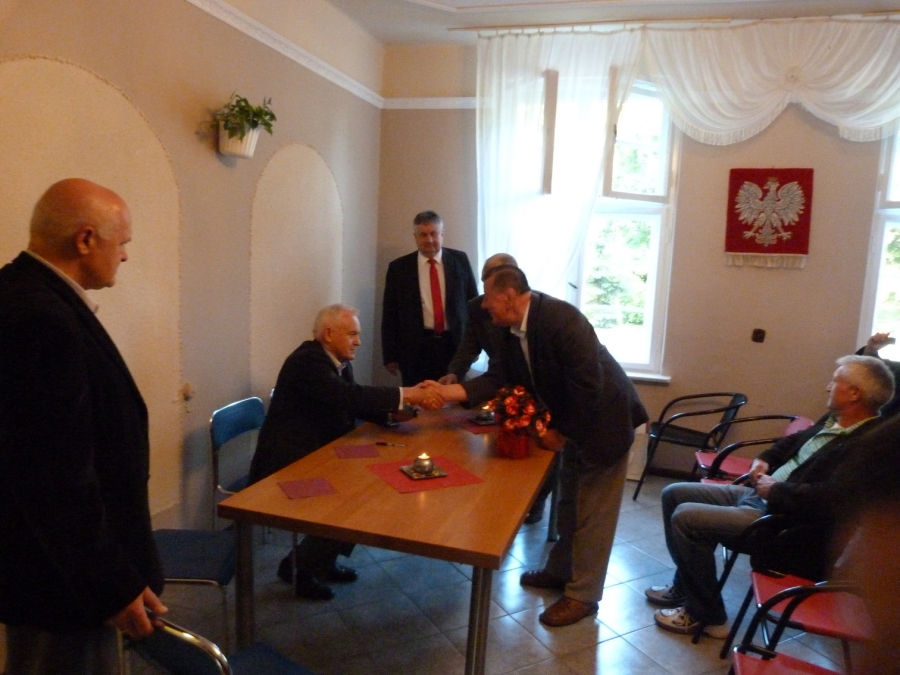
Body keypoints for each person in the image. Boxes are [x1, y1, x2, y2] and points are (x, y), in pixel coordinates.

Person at [0, 178, 167, 674]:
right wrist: (110, 584)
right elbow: (52, 476)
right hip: (60, 581)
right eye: (123, 243)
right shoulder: (38, 316)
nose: (126, 256)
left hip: (55, 566)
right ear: (86, 239)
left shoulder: (27, 293)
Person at [425, 265, 648, 627]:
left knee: (594, 513)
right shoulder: (510, 331)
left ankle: (583, 596)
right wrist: (443, 392)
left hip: (605, 423)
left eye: (489, 298)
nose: (485, 306)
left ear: (509, 296)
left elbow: (588, 388)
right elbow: (498, 379)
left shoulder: (563, 319)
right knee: (569, 503)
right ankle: (560, 571)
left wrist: (559, 432)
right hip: (575, 421)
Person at [646, 355, 895, 639]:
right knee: (674, 494)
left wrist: (776, 490)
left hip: (782, 523)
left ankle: (706, 616)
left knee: (686, 519)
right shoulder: (834, 420)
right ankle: (686, 587)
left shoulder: (867, 446)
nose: (828, 386)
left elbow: (831, 500)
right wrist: (763, 460)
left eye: (835, 381)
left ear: (854, 393)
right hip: (760, 496)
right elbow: (788, 444)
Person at [249, 304, 443, 600]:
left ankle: (317, 562)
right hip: (287, 462)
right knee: (350, 499)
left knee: (362, 488)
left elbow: (352, 403)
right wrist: (408, 393)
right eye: (352, 334)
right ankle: (301, 570)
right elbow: (348, 395)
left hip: (317, 452)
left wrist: (395, 414)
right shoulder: (307, 361)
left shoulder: (337, 361)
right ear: (328, 334)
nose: (359, 341)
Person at [381, 210, 478, 386]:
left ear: (442, 234)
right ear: (415, 236)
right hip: (415, 349)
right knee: (417, 397)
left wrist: (475, 345)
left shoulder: (460, 260)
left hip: (454, 345)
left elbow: (473, 304)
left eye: (434, 234)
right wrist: (390, 355)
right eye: (423, 235)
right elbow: (390, 314)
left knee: (453, 397)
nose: (429, 240)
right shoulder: (399, 268)